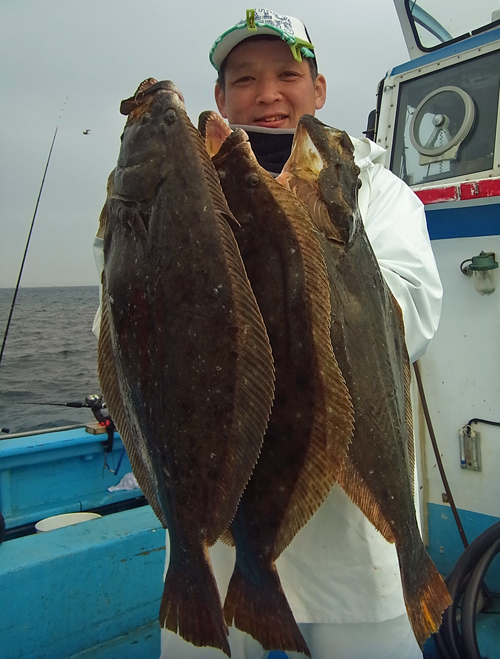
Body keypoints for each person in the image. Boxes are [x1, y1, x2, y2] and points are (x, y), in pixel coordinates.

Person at [93, 8, 443, 659]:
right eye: (246, 79)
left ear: (319, 89)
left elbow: (412, 319)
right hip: (216, 545)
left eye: (288, 74)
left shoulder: (375, 188)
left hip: (350, 563)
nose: (268, 94)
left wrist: (291, 235)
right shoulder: (187, 185)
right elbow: (125, 325)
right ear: (221, 96)